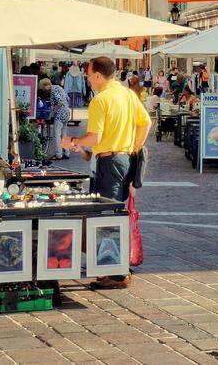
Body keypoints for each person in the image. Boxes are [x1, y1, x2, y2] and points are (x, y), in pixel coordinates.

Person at [62, 57, 151, 289]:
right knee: (114, 212)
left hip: (109, 162)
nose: (88, 80)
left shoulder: (101, 100)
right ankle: (109, 267)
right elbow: (146, 123)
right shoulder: (128, 94)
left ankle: (118, 274)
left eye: (89, 75)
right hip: (122, 159)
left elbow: (95, 138)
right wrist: (134, 148)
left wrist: (72, 140)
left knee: (107, 216)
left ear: (98, 75)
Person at [38, 78, 71, 161]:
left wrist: (53, 111)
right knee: (64, 134)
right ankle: (67, 153)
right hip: (66, 112)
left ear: (46, 86)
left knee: (56, 134)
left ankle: (58, 154)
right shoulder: (58, 87)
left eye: (43, 89)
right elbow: (67, 99)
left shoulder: (53, 90)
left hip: (60, 114)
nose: (43, 91)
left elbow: (60, 102)